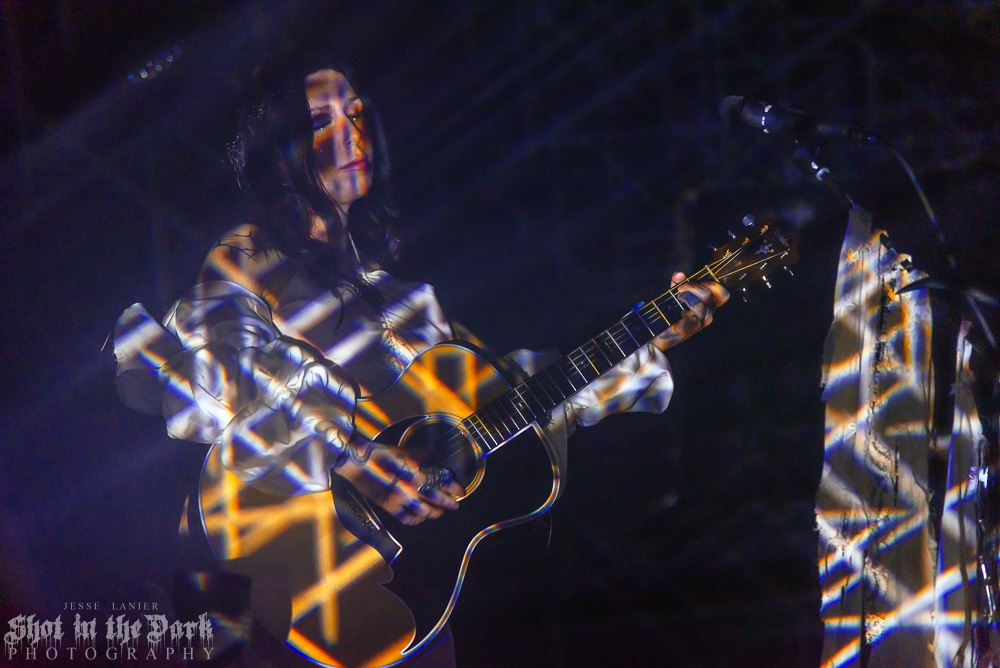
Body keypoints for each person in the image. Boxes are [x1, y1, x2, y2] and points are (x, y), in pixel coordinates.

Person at [113, 57, 728, 667]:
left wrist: (649, 341)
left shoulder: (404, 301)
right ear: (278, 155)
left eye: (355, 113)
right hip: (263, 587)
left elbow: (509, 398)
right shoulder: (249, 257)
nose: (352, 134)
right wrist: (354, 457)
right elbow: (221, 383)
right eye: (322, 121)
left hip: (400, 608)